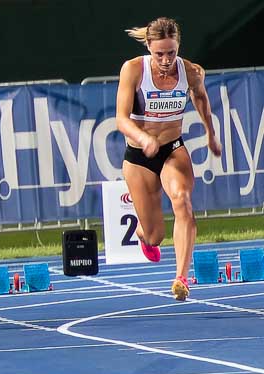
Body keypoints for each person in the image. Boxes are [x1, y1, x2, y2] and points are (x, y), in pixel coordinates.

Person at [115, 17, 222, 300]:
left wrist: (211, 134)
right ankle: (142, 232)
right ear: (149, 46)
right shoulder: (133, 69)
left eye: (171, 53)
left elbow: (201, 98)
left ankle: (181, 278)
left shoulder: (190, 71)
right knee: (154, 236)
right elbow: (121, 120)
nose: (165, 60)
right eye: (159, 53)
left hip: (172, 149)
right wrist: (143, 138)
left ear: (178, 47)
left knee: (183, 203)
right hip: (139, 155)